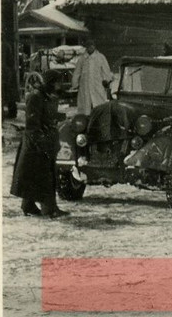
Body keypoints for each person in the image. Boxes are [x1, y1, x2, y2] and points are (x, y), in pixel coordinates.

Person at [10, 70, 68, 219]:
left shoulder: (46, 96)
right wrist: (41, 141)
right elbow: (32, 123)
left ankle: (28, 205)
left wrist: (58, 116)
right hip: (36, 144)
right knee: (45, 176)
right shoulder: (35, 97)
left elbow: (45, 115)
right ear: (50, 82)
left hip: (43, 142)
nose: (59, 85)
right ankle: (49, 209)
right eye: (57, 82)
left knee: (34, 176)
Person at [72, 39, 112, 115]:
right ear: (86, 48)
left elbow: (106, 70)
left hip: (97, 86)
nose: (90, 48)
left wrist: (106, 80)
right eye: (89, 46)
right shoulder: (82, 59)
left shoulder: (100, 57)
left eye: (92, 46)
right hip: (85, 87)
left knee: (98, 104)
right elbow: (77, 72)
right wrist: (75, 84)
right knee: (86, 106)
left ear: (94, 47)